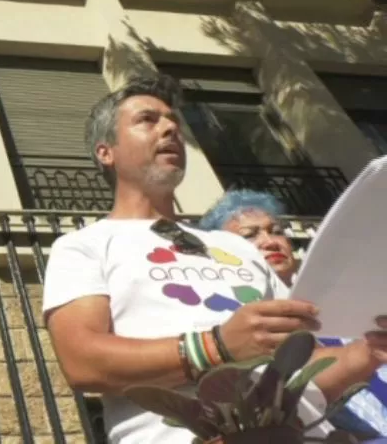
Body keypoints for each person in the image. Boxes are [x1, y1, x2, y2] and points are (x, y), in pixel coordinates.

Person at [41, 75, 387, 443]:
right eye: (148, 120)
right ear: (105, 152)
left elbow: (305, 368)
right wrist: (217, 345)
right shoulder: (84, 245)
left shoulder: (235, 245)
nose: (171, 128)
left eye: (174, 121)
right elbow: (82, 360)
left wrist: (365, 353)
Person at [200, 190, 387, 438]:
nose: (270, 241)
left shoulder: (346, 300)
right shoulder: (241, 327)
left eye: (276, 230)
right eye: (249, 236)